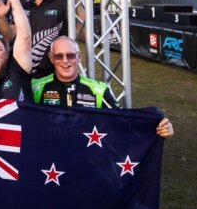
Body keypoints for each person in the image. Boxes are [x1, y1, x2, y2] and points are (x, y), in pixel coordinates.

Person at [33, 36, 174, 138]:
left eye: (70, 55)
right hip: (51, 162)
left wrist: (156, 126)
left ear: (79, 57)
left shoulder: (98, 90)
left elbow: (124, 122)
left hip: (86, 159)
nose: (65, 61)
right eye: (58, 56)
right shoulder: (37, 87)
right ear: (51, 58)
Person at [22, 0, 85, 78]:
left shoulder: (62, 1)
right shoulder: (25, 5)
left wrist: (76, 1)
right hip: (25, 72)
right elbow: (11, 34)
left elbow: (83, 32)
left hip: (53, 74)